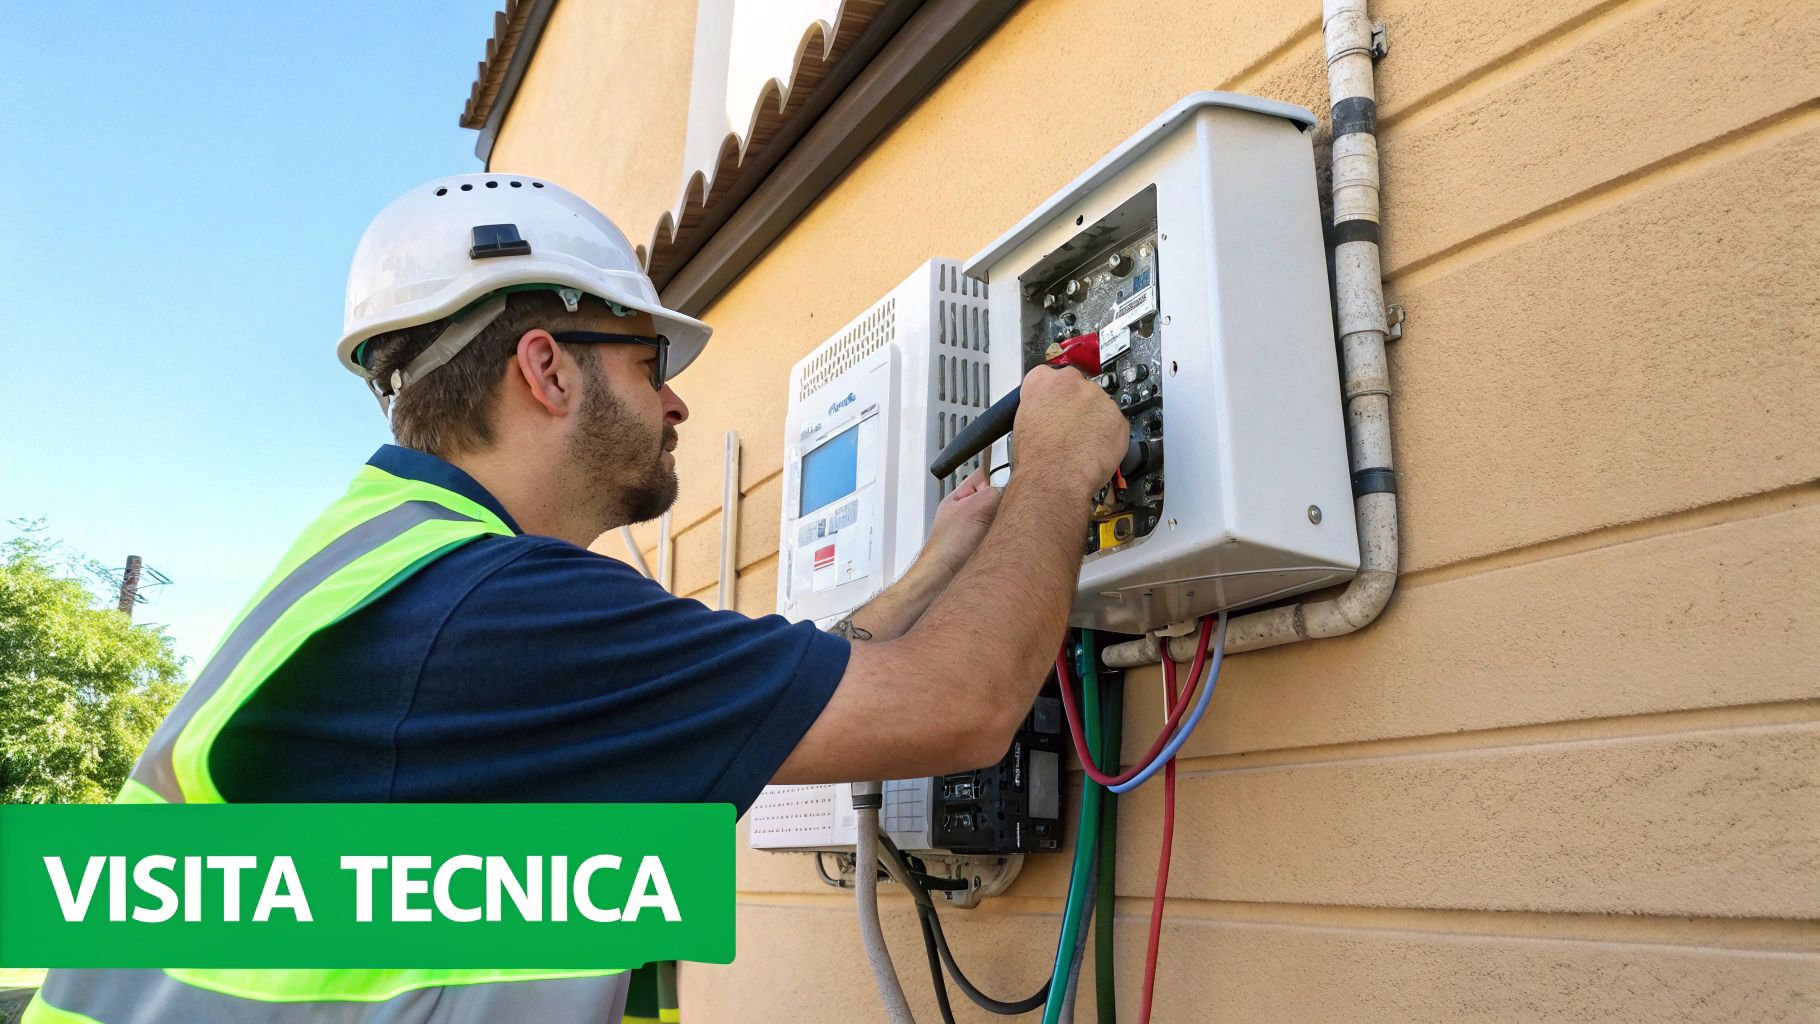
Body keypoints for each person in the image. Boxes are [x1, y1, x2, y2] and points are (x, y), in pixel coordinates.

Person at [25, 174, 1129, 1023]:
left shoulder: (411, 573)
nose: (678, 401)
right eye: (650, 359)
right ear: (547, 370)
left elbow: (781, 693)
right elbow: (966, 706)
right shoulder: (490, 612)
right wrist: (1056, 472)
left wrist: (944, 562)